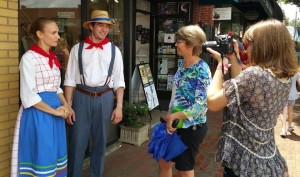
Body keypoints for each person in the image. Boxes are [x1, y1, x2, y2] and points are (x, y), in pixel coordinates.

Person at [207, 19, 298, 176]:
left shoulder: (254, 75)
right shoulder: (284, 77)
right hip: (265, 160)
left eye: (250, 45)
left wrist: (221, 65)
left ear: (264, 46)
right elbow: (242, 90)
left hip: (243, 164)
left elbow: (212, 103)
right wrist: (233, 58)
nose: (247, 50)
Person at [64, 10, 125, 177]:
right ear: (91, 26)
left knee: (100, 143)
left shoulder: (115, 51)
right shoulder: (77, 49)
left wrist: (119, 106)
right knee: (77, 143)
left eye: (107, 26)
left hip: (105, 97)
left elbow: (119, 82)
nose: (104, 29)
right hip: (81, 97)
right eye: (100, 25)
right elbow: (69, 80)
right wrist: (68, 105)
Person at [11, 17, 69, 177]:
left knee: (55, 154)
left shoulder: (53, 57)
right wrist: (55, 111)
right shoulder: (29, 58)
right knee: (43, 156)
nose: (58, 36)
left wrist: (66, 106)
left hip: (56, 111)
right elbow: (28, 95)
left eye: (58, 32)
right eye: (54, 32)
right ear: (40, 34)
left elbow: (56, 87)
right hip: (39, 113)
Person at [158, 25, 211, 177]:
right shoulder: (182, 65)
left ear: (191, 44)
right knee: (164, 162)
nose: (176, 44)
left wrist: (175, 116)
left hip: (191, 127)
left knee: (184, 170)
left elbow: (201, 106)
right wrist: (169, 115)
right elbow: (176, 94)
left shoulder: (202, 69)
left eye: (179, 41)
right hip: (175, 123)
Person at [280, 72, 300, 137]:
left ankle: (283, 129)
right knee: (290, 111)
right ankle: (289, 126)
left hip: (283, 94)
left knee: (283, 112)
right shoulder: (297, 73)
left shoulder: (281, 70)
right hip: (292, 94)